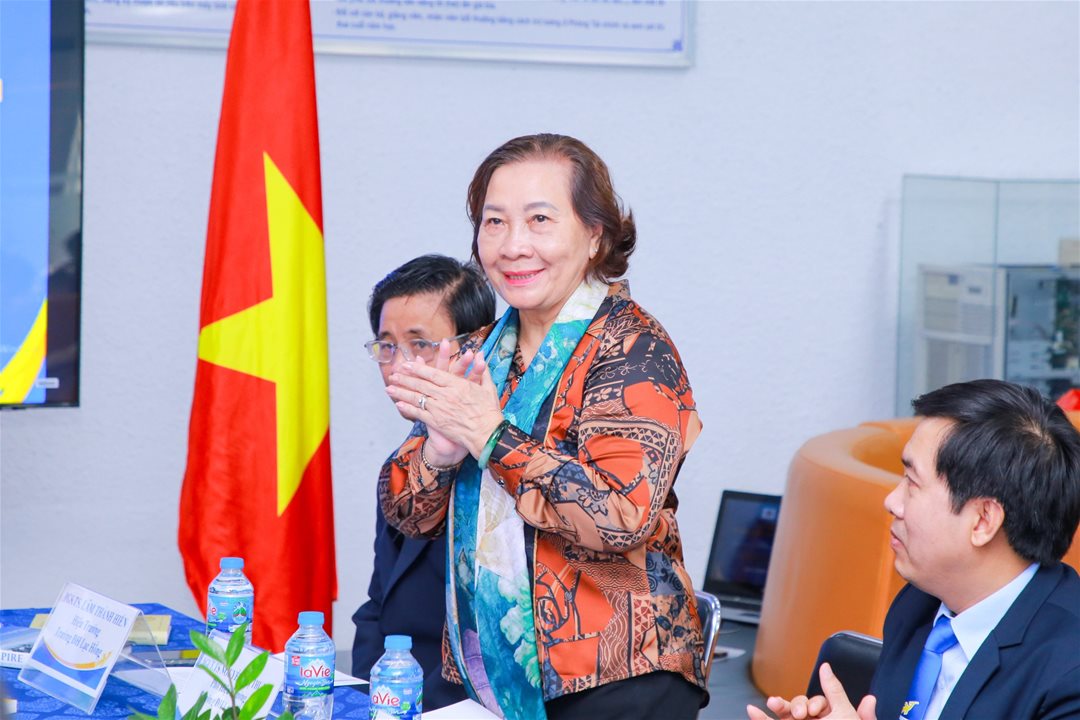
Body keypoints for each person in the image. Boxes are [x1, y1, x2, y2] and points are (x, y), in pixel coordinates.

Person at [378, 134, 709, 720]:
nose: (513, 246)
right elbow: (405, 515)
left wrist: (490, 436)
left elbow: (619, 516)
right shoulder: (481, 350)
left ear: (595, 235)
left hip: (617, 678)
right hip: (484, 672)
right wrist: (441, 452)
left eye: (540, 220)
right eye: (495, 223)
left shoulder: (635, 351)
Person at [748, 379, 1080, 720]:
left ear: (983, 520)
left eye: (912, 482)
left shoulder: (1069, 674)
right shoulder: (919, 604)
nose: (892, 502)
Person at [351, 254, 495, 710]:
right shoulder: (405, 462)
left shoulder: (510, 463)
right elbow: (377, 607)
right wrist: (365, 699)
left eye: (420, 345)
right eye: (387, 346)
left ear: (475, 346)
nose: (398, 367)